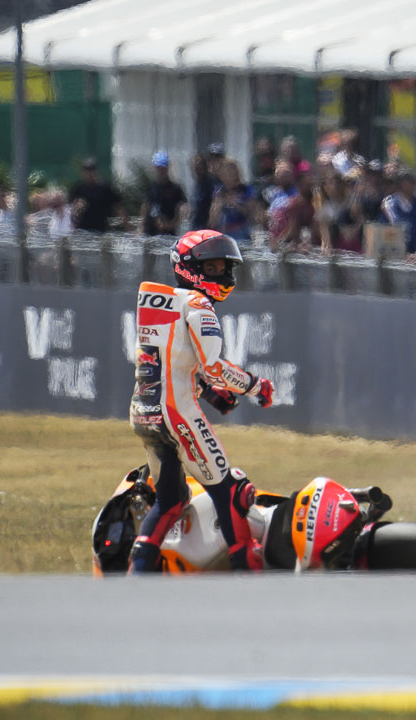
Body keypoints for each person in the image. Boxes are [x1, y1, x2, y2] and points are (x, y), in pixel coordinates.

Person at [128, 229, 275, 573]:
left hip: (144, 412)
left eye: (224, 267)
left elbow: (170, 361)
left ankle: (137, 574)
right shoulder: (198, 305)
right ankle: (246, 569)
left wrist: (207, 392)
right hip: (177, 414)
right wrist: (255, 386)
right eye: (211, 267)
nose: (221, 274)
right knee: (230, 492)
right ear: (190, 268)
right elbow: (214, 367)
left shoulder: (156, 300)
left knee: (170, 501)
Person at [69, 157, 125, 233]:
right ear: (82, 172)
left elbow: (118, 207)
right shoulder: (78, 188)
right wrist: (76, 208)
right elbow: (71, 209)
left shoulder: (105, 188)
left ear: (96, 171)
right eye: (87, 171)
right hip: (82, 230)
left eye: (92, 170)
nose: (89, 174)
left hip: (100, 229)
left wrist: (127, 226)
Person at [209, 158, 258, 243]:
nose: (230, 174)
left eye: (232, 170)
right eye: (226, 171)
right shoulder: (219, 192)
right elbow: (212, 221)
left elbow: (252, 214)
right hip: (224, 233)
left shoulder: (245, 189)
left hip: (241, 233)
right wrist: (217, 207)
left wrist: (235, 204)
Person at [141, 151, 188, 237]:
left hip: (167, 233)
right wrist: (141, 227)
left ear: (167, 168)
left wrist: (172, 224)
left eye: (163, 168)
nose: (160, 171)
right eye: (158, 168)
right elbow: (146, 205)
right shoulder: (152, 186)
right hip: (150, 231)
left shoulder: (175, 188)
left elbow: (183, 208)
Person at [381, 171, 416, 254]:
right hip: (397, 250)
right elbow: (391, 223)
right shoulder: (390, 203)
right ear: (400, 185)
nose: (413, 185)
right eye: (409, 182)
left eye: (413, 182)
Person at [190, 153, 216, 230]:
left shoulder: (211, 183)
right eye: (195, 166)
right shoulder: (198, 184)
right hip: (196, 225)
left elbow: (215, 203)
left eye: (199, 166)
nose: (197, 169)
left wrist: (210, 223)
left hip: (206, 226)